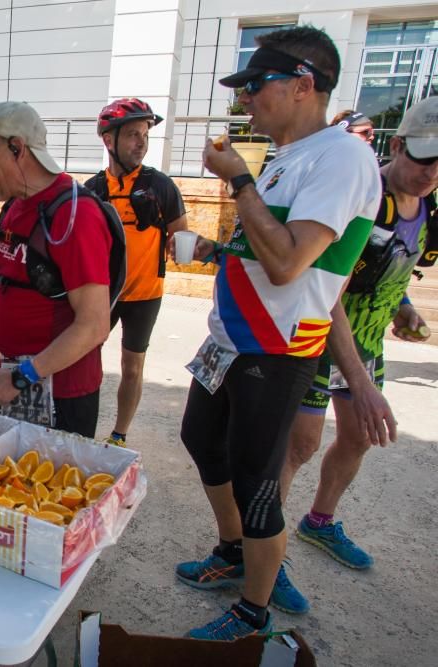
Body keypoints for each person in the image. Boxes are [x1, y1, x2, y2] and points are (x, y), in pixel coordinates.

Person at [172, 25, 381, 640]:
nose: (245, 100)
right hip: (231, 340)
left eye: (255, 86)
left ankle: (252, 613)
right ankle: (232, 554)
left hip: (277, 347)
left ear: (302, 85)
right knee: (201, 440)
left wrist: (237, 180)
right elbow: (264, 251)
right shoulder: (289, 157)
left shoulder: (343, 155)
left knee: (258, 483)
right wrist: (217, 247)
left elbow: (292, 264)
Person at [278, 96, 438, 609]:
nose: (430, 173)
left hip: (366, 343)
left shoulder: (429, 208)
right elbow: (330, 289)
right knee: (297, 446)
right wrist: (362, 385)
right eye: (422, 159)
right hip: (320, 337)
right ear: (396, 146)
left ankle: (318, 521)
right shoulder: (364, 195)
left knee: (358, 437)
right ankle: (263, 553)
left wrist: (405, 307)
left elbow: (393, 268)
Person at [0, 101, 120, 437]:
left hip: (58, 391)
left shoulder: (75, 216)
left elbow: (94, 325)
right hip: (12, 376)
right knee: (5, 482)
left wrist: (21, 377)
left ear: (16, 148)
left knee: (47, 487)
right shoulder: (11, 206)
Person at [85, 98, 188, 447]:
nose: (141, 142)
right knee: (85, 361)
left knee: (132, 366)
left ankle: (119, 434)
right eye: (132, 134)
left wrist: (182, 245)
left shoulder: (161, 186)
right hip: (102, 293)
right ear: (108, 140)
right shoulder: (92, 190)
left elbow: (182, 235)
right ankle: (82, 426)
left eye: (144, 134)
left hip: (145, 294)